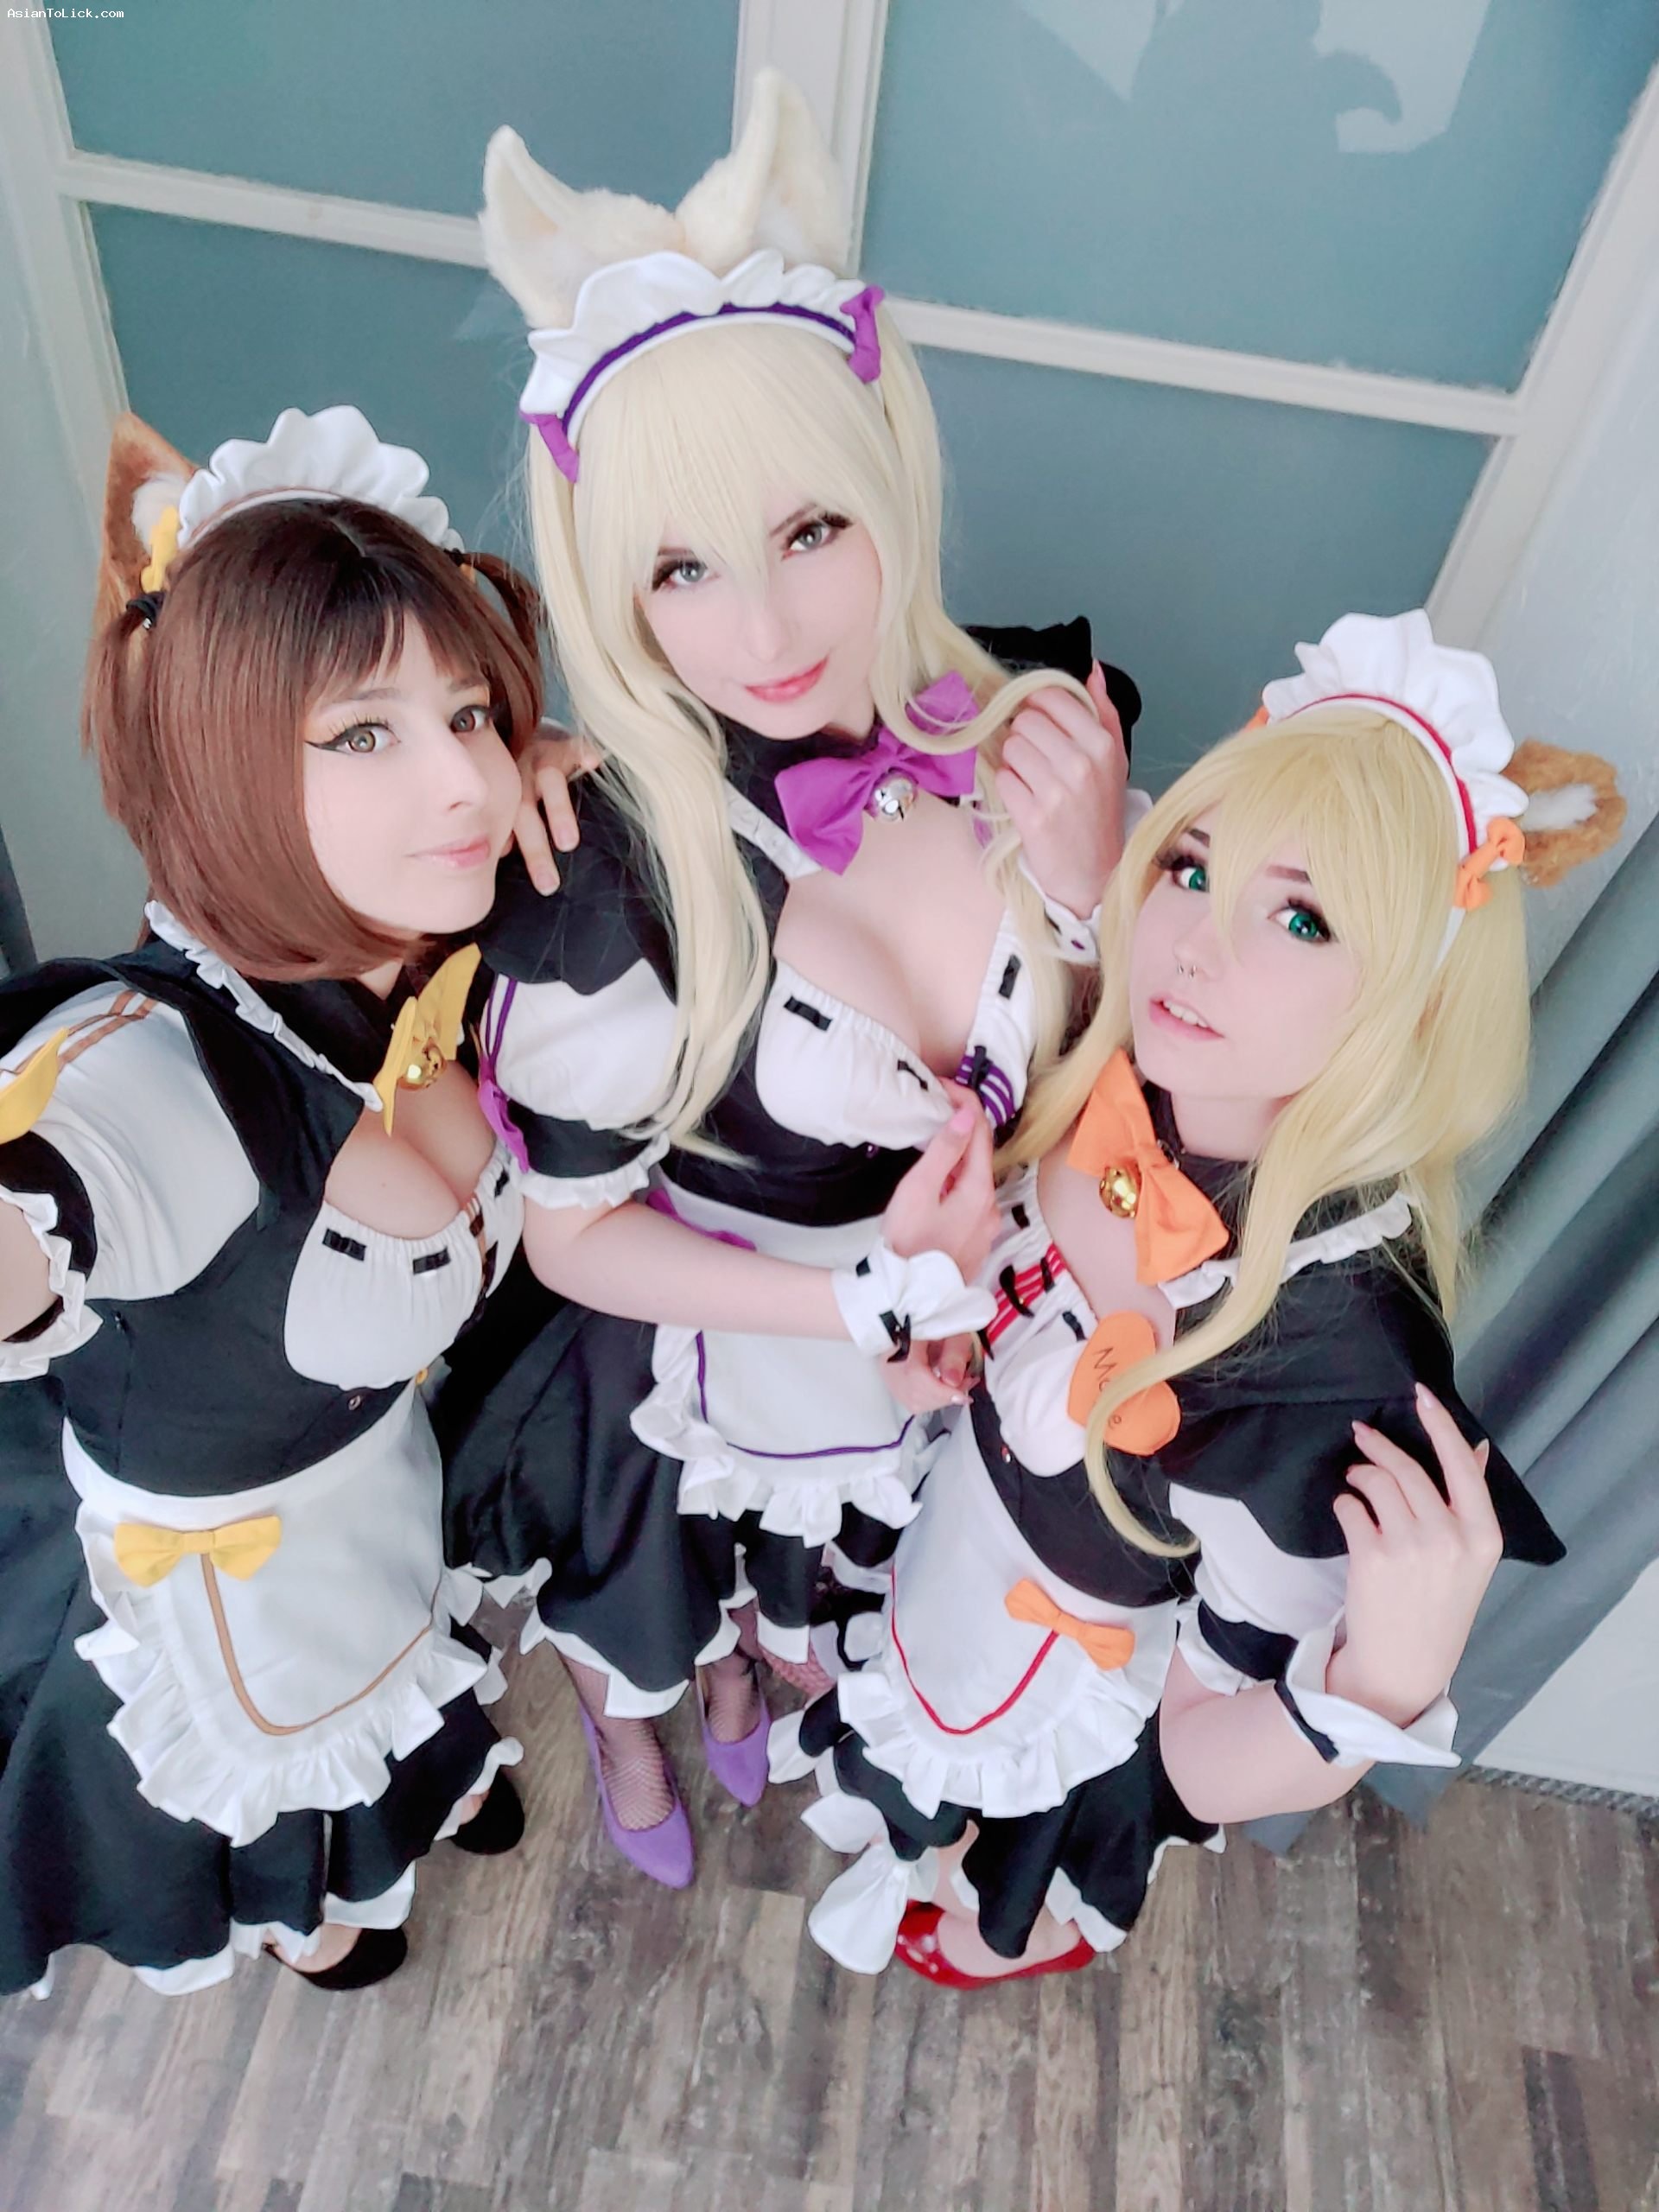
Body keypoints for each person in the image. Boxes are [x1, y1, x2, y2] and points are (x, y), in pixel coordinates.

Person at [437, 70, 1136, 1885]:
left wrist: (1083, 902)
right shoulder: (608, 876)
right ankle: (631, 1720)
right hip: (726, 1332)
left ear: (887, 473)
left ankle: (758, 1672)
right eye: (679, 569)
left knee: (820, 1585)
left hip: (960, 1338)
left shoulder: (1028, 726)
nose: (759, 631)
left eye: (811, 531)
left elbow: (1113, 1068)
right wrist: (854, 1303)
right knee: (658, 1592)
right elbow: (572, 1236)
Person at [779, 609, 1621, 1985]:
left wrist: (1382, 1685)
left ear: (1410, 1006)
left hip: (1072, 1661)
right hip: (960, 1523)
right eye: (1190, 864)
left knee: (1003, 1852)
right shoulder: (1132, 1057)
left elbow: (1193, 1753)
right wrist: (940, 1338)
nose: (1195, 941)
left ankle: (1001, 1915)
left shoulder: (1331, 1354)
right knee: (909, 1725)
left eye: (1300, 916)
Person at [0, 404, 543, 1994]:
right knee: (298, 1777)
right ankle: (325, 1908)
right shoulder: (150, 1072)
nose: (465, 779)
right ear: (225, 770)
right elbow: (51, 1181)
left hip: (388, 1472)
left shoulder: (434, 940)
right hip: (247, 1569)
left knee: (414, 1656)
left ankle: (431, 1785)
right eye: (362, 732)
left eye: (470, 711)